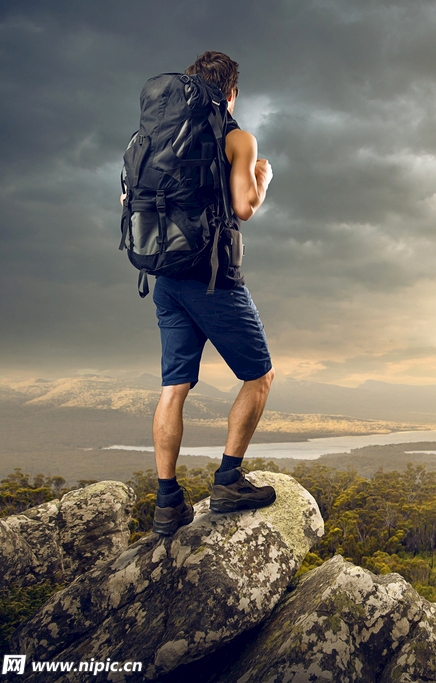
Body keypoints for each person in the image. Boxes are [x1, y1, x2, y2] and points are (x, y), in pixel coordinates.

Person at [122, 51, 276, 535]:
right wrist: (263, 178)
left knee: (174, 388)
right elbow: (245, 207)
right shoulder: (237, 138)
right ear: (232, 93)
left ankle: (167, 502)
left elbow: (130, 198)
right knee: (260, 376)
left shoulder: (154, 138)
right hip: (212, 280)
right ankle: (229, 480)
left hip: (164, 277)